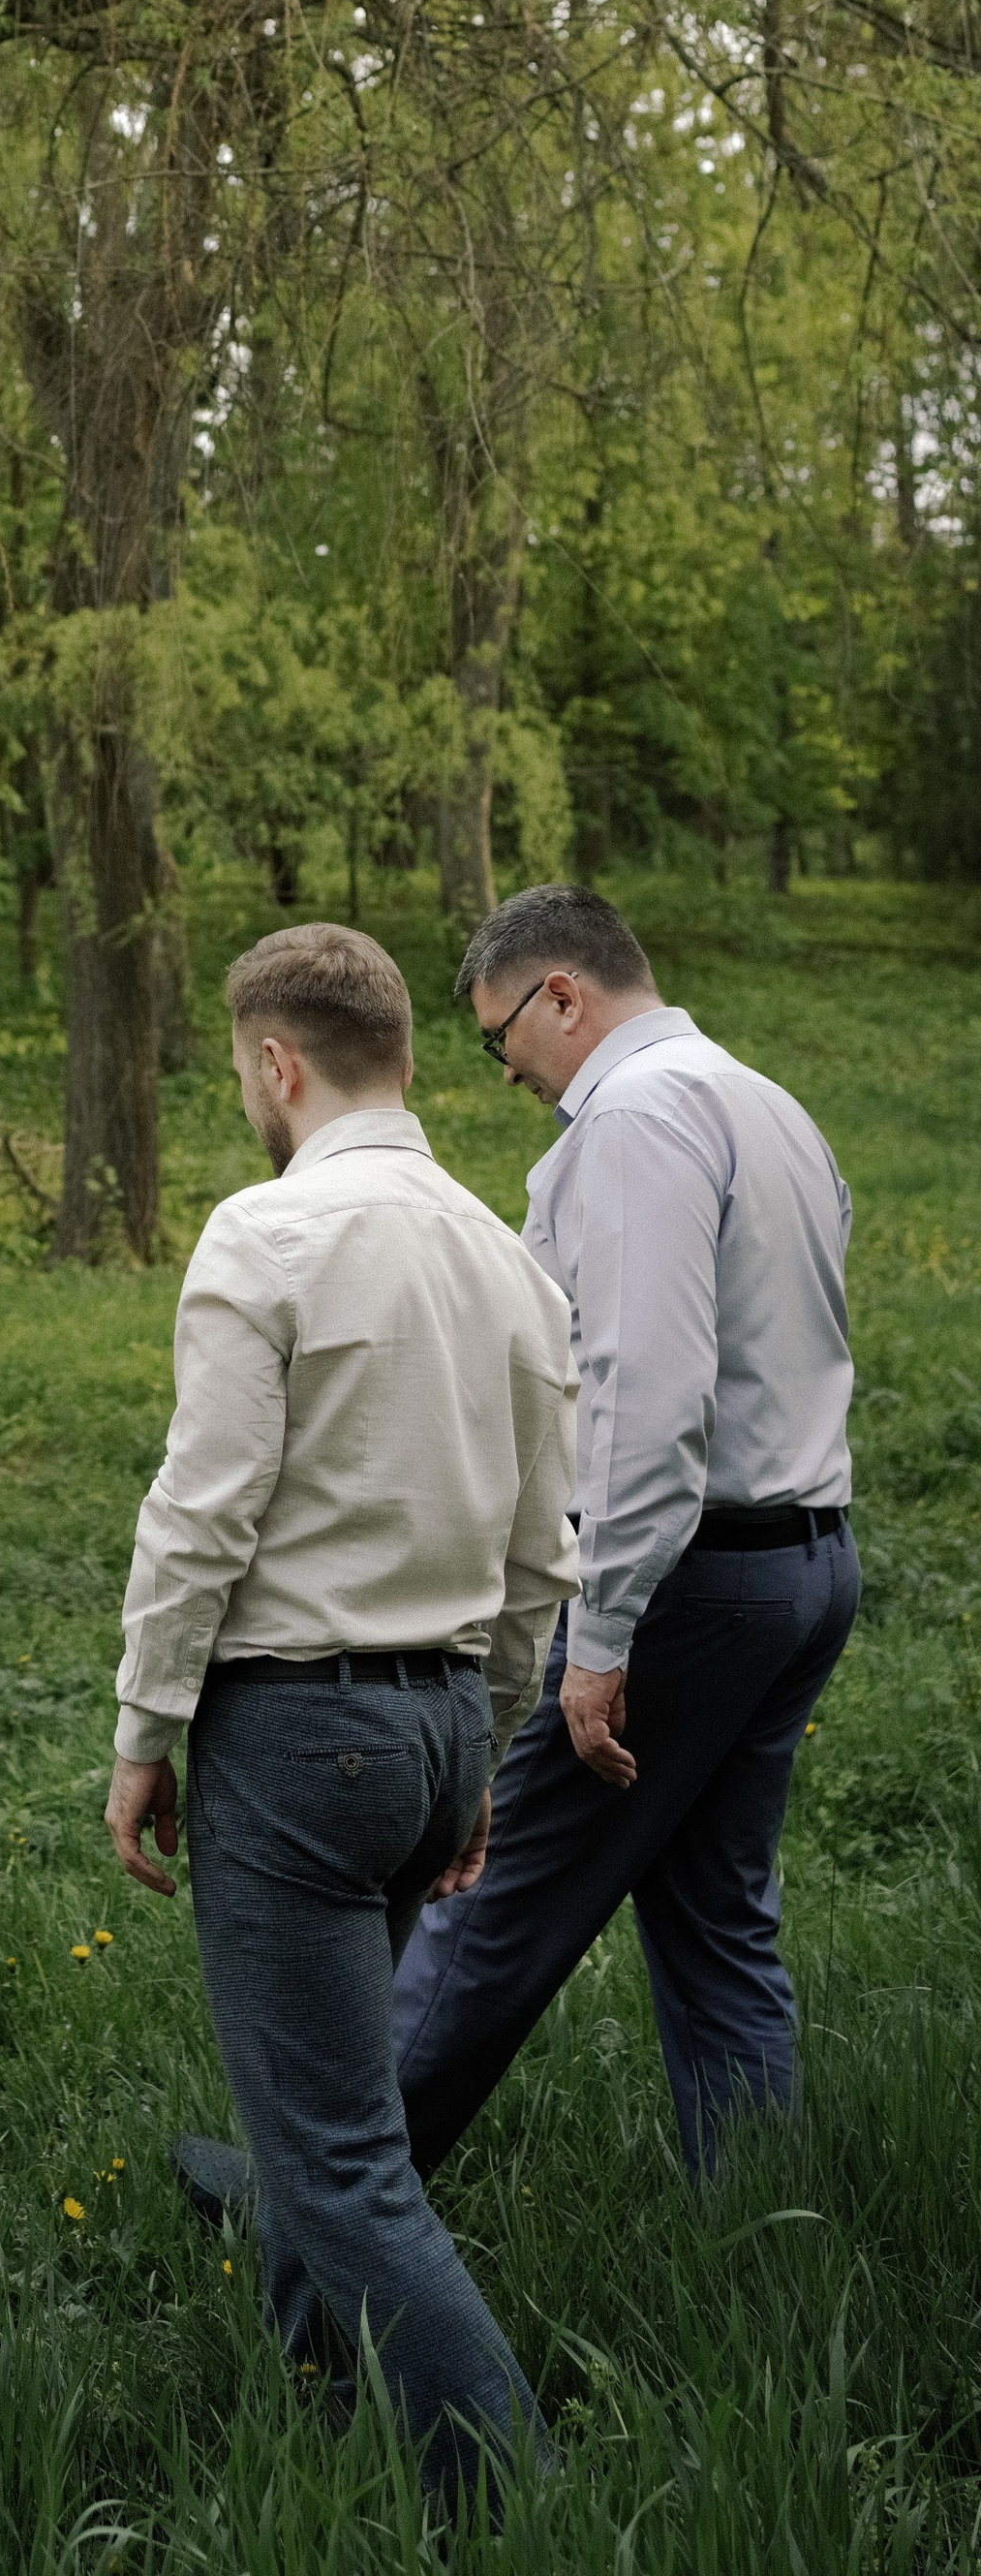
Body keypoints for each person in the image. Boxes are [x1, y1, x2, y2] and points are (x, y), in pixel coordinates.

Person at [105, 924, 577, 2513]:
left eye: (245, 1070)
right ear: (411, 1060)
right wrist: (489, 1752)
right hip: (441, 1720)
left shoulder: (270, 1233)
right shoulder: (509, 1255)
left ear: (278, 1065)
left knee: (342, 2158)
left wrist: (144, 1725)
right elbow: (541, 1554)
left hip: (300, 1737)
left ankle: (510, 2501)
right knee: (330, 2104)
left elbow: (204, 1506)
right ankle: (313, 2381)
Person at [391, 883, 858, 2179]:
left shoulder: (640, 1118)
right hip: (804, 1558)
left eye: (500, 1042)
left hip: (684, 1582)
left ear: (562, 996)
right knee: (717, 1917)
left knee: (495, 1897)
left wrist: (598, 1637)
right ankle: (755, 2232)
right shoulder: (764, 1103)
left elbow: (648, 1398)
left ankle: (320, 2201)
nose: (508, 1074)